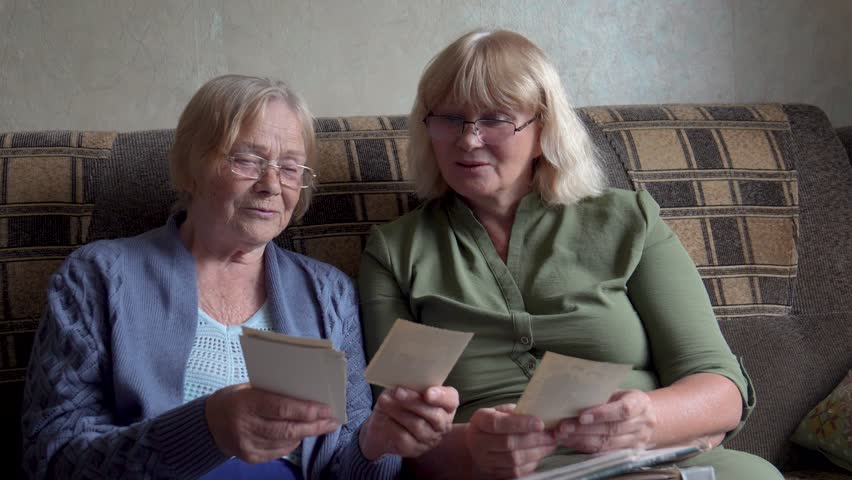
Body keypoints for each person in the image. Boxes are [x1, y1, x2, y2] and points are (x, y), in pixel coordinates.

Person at [358, 30, 783, 480]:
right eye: (448, 118)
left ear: (543, 128)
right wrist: (473, 449)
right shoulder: (393, 251)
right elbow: (395, 432)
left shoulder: (629, 220)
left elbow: (721, 389)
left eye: (496, 118)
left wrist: (648, 418)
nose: (468, 139)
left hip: (650, 464)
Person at [21, 74, 458, 479]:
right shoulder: (97, 277)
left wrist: (376, 443)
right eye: (247, 160)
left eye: (290, 168)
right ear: (191, 165)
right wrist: (206, 430)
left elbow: (346, 468)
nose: (272, 185)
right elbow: (52, 456)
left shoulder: (329, 293)